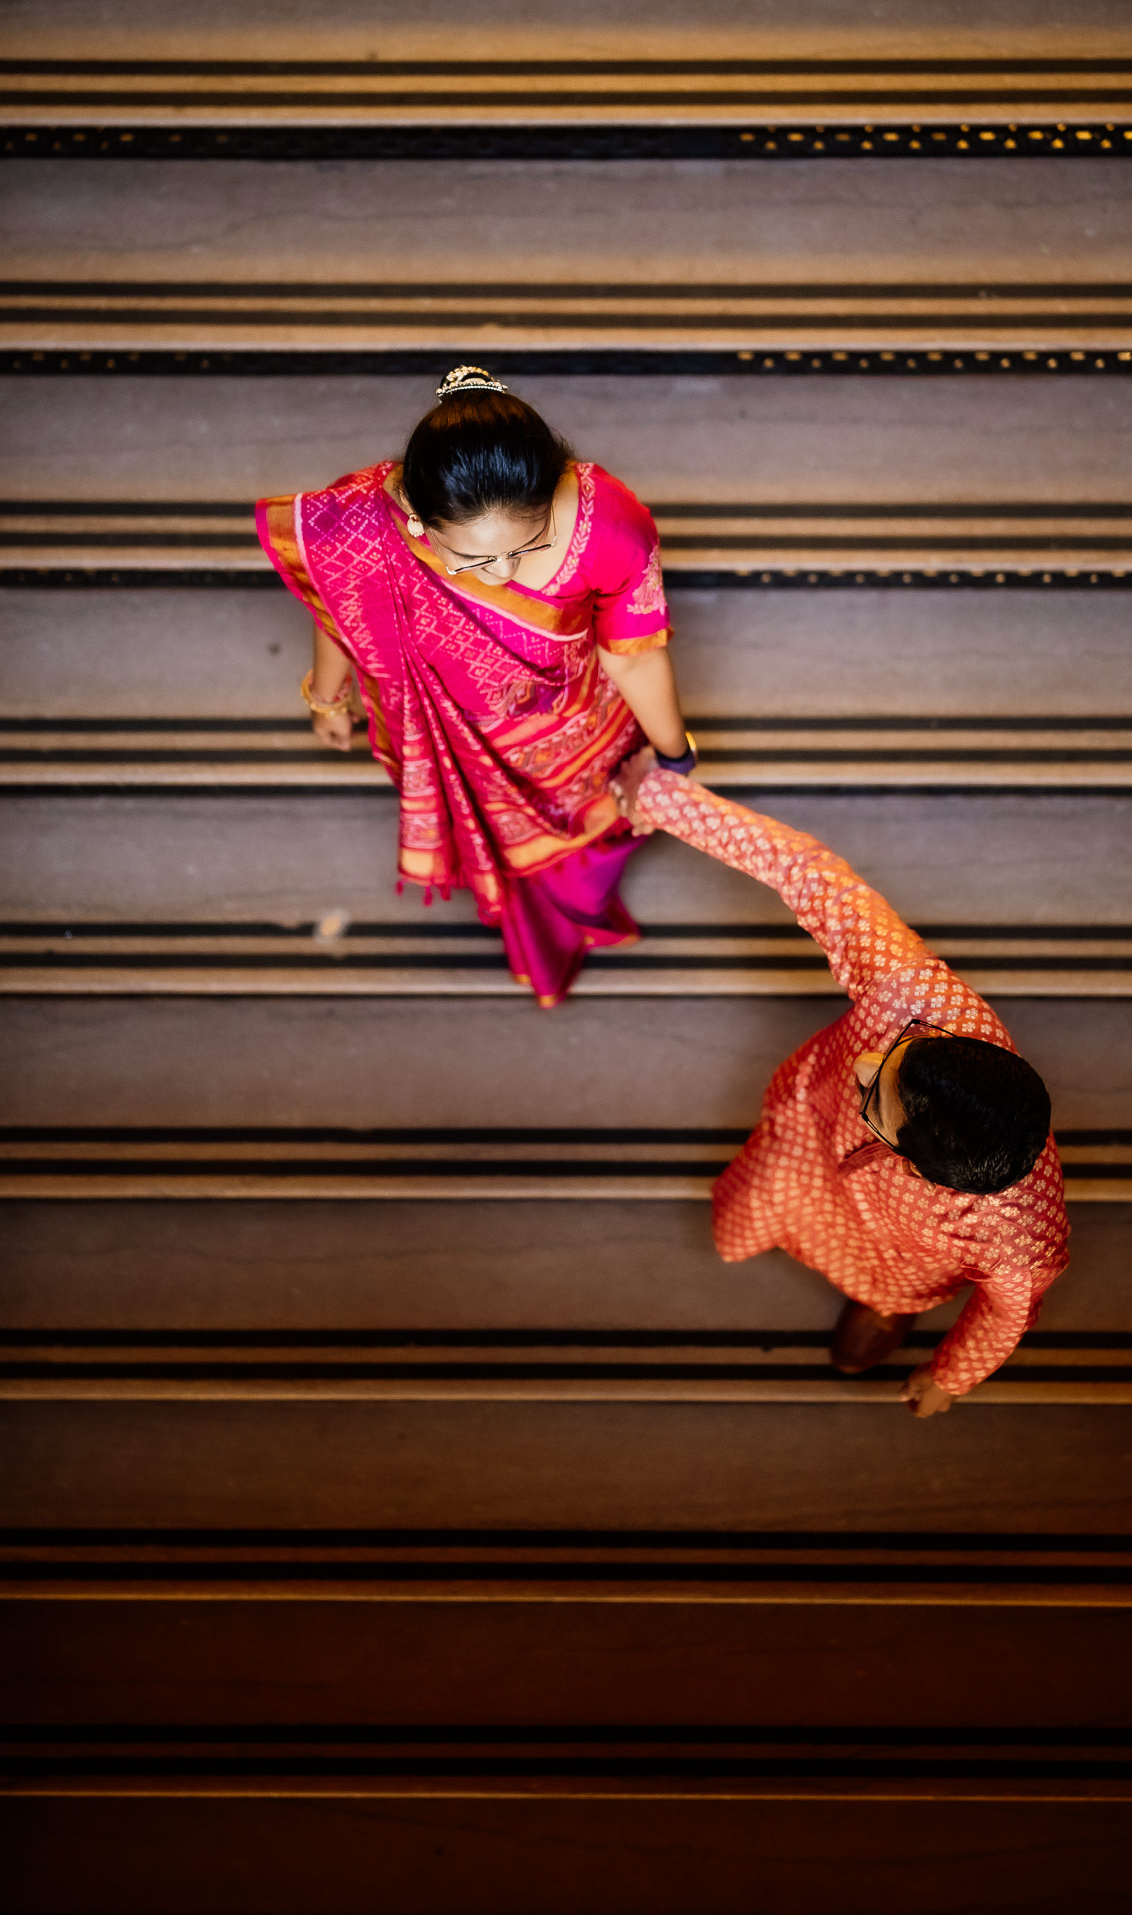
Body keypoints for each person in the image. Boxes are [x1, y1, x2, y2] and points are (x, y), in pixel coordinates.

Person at [613, 750, 1070, 1413]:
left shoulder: (1013, 1241)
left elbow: (1006, 1312)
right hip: (806, 1132)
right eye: (899, 1054)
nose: (862, 1060)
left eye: (874, 1095)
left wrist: (949, 1377)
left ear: (922, 1160)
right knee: (736, 1222)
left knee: (884, 1295)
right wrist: (657, 798)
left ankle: (883, 1309)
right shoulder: (913, 997)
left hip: (896, 1253)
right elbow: (804, 869)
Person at [256, 368, 696, 1006]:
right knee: (502, 845)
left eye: (526, 547)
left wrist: (673, 753)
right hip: (458, 739)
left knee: (594, 846)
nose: (501, 574)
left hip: (579, 725)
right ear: (414, 517)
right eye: (473, 558)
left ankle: (570, 920)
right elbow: (344, 609)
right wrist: (329, 697)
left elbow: (633, 658)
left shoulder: (611, 524)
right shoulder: (365, 522)